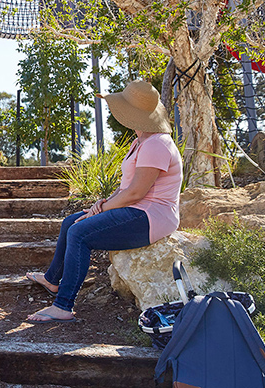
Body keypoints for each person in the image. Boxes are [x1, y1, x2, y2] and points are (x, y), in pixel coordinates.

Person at [25, 80, 182, 323]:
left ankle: (64, 306)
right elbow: (127, 186)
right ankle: (52, 280)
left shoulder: (157, 144)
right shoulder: (141, 141)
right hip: (134, 209)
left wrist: (103, 209)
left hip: (150, 217)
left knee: (79, 233)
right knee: (70, 222)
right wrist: (103, 203)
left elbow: (135, 193)